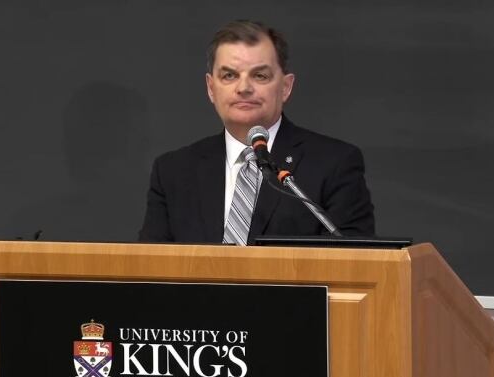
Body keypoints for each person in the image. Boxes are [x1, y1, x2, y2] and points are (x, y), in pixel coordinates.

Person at [138, 20, 374, 244]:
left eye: (259, 75)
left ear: (285, 87)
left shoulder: (334, 164)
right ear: (211, 88)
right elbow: (148, 270)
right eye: (229, 75)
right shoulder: (173, 172)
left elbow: (353, 266)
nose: (243, 88)